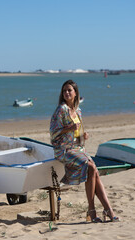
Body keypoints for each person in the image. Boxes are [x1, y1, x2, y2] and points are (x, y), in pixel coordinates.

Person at [50, 79, 119, 223]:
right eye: (64, 91)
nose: (67, 93)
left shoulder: (78, 111)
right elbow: (53, 134)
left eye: (70, 90)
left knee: (93, 169)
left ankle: (106, 209)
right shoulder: (61, 110)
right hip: (64, 150)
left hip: (78, 148)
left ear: (76, 93)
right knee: (90, 167)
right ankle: (93, 210)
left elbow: (78, 134)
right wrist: (68, 128)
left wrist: (83, 136)